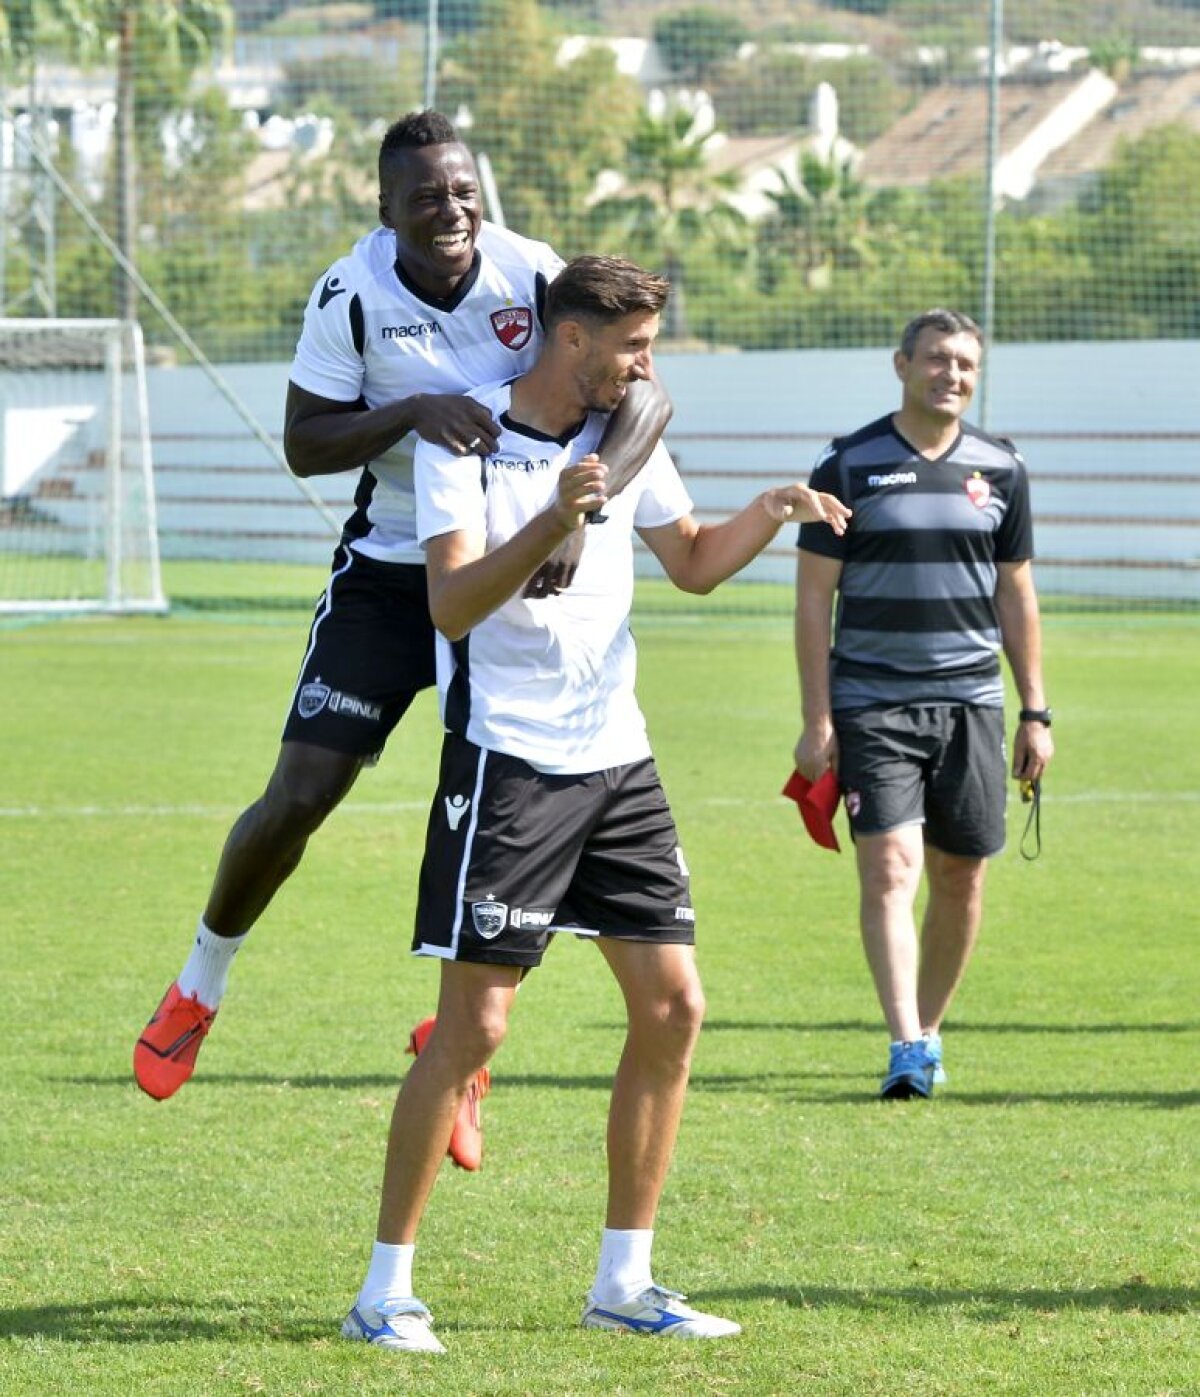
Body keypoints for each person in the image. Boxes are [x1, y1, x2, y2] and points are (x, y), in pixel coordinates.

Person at [132, 111, 671, 1168]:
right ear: (385, 210)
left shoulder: (532, 271)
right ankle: (201, 980)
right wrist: (413, 409)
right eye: (427, 195)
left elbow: (643, 389)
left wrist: (587, 514)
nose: (452, 209)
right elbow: (303, 442)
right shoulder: (351, 295)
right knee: (298, 794)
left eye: (465, 189)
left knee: (532, 810)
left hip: (513, 571)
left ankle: (463, 1046)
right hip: (391, 571)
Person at [339, 255, 850, 1354]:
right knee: (474, 1024)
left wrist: (771, 508)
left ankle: (625, 1279)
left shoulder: (634, 436)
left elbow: (697, 564)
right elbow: (454, 604)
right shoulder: (463, 436)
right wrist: (555, 519)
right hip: (507, 761)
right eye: (632, 347)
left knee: (674, 1008)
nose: (646, 364)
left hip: (619, 759)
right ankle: (384, 1290)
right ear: (570, 339)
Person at [793, 307, 1054, 1100]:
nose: (952, 375)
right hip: (873, 701)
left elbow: (1018, 594)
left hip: (973, 702)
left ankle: (929, 1030)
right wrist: (818, 718)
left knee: (962, 874)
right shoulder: (848, 465)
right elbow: (812, 603)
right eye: (937, 359)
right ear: (901, 364)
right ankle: (906, 1041)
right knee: (891, 867)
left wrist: (1035, 709)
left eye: (966, 364)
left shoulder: (1002, 468)